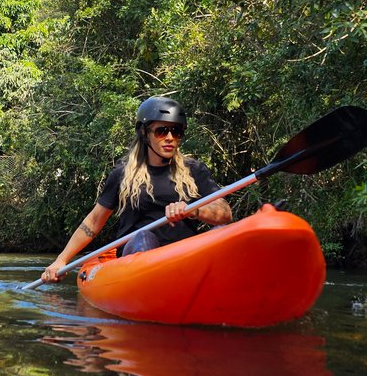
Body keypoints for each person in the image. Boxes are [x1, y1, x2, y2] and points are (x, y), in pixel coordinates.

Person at [41, 96, 232, 283]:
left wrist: (194, 210)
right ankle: (152, 285)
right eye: (161, 131)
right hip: (137, 258)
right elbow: (94, 221)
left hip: (184, 255)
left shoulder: (195, 170)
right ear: (144, 133)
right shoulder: (122, 174)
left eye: (176, 132)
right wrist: (61, 260)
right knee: (144, 237)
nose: (170, 138)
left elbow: (225, 213)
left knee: (222, 230)